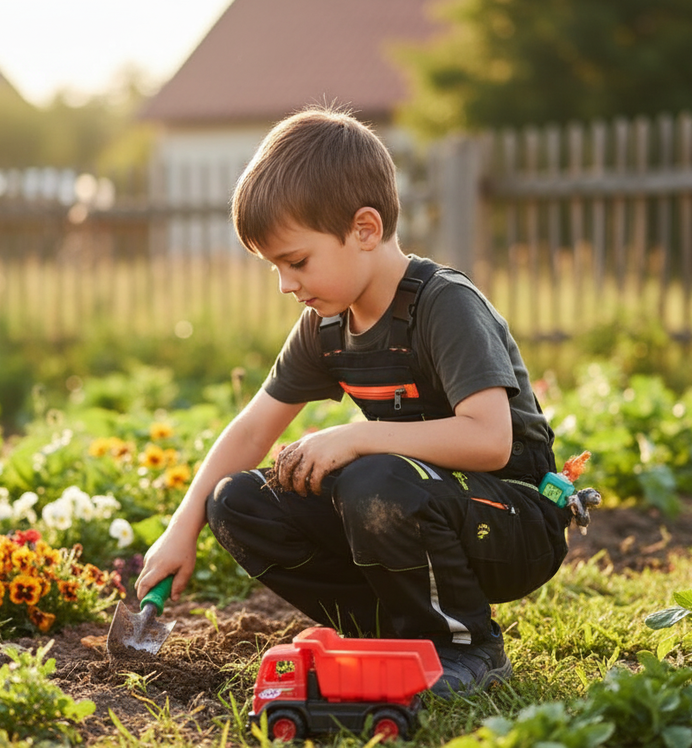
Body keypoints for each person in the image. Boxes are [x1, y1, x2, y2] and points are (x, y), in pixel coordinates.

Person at [135, 105, 573, 697]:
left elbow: (490, 441)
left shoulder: (444, 305)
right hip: (410, 498)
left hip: (513, 520)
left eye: (297, 261)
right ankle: (391, 632)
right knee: (237, 501)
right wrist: (181, 529)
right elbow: (250, 433)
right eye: (275, 267)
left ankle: (466, 644)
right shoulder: (326, 326)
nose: (287, 284)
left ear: (364, 230)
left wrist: (355, 436)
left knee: (375, 479)